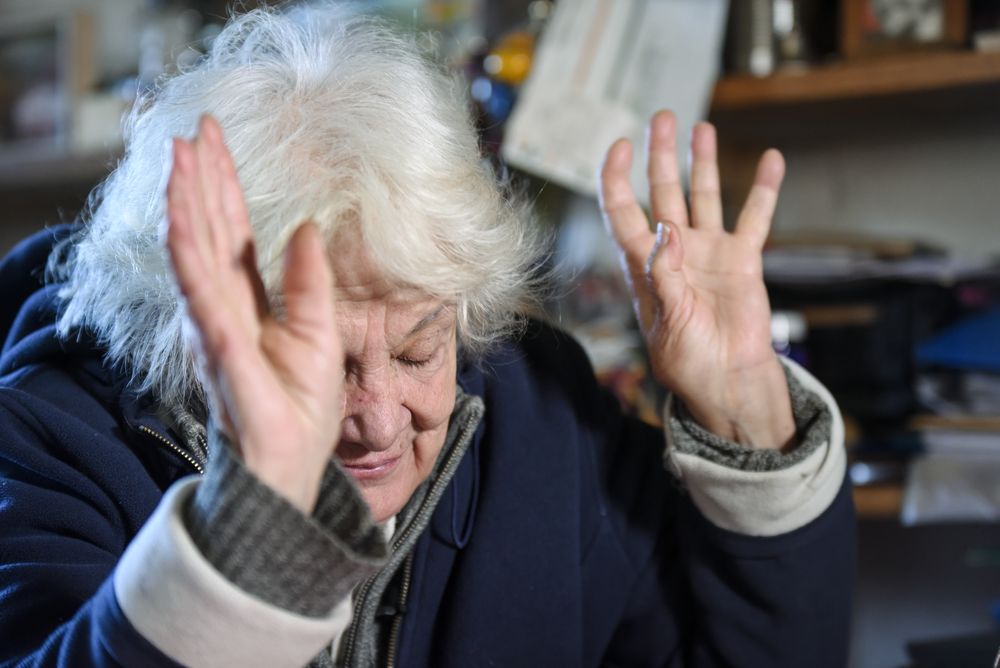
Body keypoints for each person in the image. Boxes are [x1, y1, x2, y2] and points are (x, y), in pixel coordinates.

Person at [0, 4, 854, 667]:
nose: (378, 419)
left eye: (417, 351)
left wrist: (747, 412)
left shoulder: (538, 410)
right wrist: (248, 532)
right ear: (192, 331)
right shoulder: (47, 439)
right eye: (325, 366)